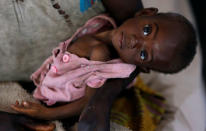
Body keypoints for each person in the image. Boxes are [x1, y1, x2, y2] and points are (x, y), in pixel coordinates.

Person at [11, 7, 197, 130]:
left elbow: (87, 103)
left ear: (142, 67)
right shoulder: (100, 22)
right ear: (144, 13)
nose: (135, 42)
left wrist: (45, 114)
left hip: (54, 109)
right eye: (147, 30)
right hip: (37, 86)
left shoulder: (100, 55)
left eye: (143, 54)